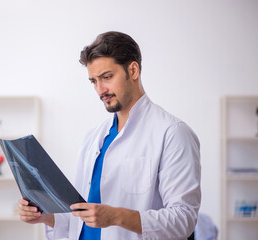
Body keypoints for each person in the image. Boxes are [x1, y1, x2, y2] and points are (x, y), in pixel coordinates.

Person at [19, 31, 201, 240]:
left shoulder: (173, 133)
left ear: (133, 70)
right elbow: (80, 217)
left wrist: (116, 216)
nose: (100, 90)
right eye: (93, 81)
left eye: (107, 77)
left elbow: (183, 220)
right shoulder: (93, 138)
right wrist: (44, 216)